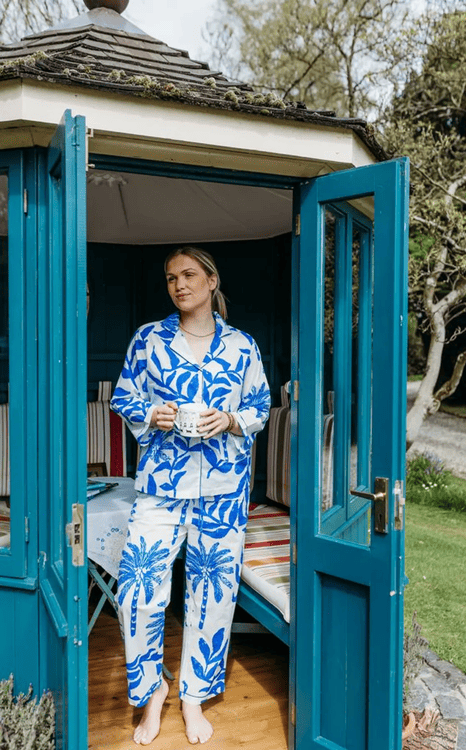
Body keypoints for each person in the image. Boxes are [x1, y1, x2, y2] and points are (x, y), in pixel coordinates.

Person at [110, 246, 270, 746]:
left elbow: (261, 405)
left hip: (224, 489)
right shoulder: (148, 339)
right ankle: (152, 690)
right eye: (170, 278)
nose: (179, 284)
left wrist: (231, 419)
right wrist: (150, 414)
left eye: (189, 275)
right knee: (136, 590)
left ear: (211, 281)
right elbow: (123, 395)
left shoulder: (242, 346)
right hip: (161, 485)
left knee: (212, 594)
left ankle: (193, 696)